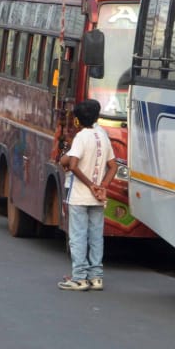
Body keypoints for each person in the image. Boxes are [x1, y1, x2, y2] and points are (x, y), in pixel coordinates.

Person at [57, 99, 117, 291]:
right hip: (98, 198)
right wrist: (102, 187)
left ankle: (80, 277)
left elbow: (72, 165)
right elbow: (113, 166)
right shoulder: (103, 135)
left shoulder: (82, 137)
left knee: (78, 236)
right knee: (96, 236)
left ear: (77, 120)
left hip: (80, 195)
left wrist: (91, 185)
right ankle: (96, 277)